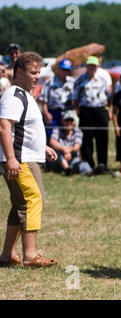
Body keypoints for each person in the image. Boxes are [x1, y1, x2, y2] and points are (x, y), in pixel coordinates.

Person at [0, 51, 58, 268]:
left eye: (39, 73)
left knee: (20, 204)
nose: (37, 77)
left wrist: (42, 146)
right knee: (33, 200)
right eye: (33, 73)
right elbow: (4, 126)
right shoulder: (14, 95)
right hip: (19, 160)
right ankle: (30, 255)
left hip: (26, 156)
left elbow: (22, 128)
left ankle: (7, 255)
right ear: (20, 72)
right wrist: (11, 159)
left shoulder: (24, 95)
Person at [73, 56, 111, 174]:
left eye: (93, 66)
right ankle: (88, 164)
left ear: (97, 66)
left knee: (102, 138)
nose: (91, 68)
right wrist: (77, 110)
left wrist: (108, 109)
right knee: (86, 138)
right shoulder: (80, 80)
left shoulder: (102, 78)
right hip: (86, 111)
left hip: (100, 110)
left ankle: (102, 164)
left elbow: (109, 96)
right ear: (86, 66)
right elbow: (75, 98)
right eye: (89, 65)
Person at [39, 59, 75, 139]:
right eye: (63, 69)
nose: (65, 72)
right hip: (53, 113)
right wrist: (46, 114)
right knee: (51, 136)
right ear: (58, 69)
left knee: (67, 137)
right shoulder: (50, 82)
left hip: (68, 114)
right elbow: (44, 100)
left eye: (67, 70)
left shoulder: (72, 82)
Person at [48, 110, 92, 176]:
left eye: (71, 120)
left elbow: (77, 146)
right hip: (58, 160)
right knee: (57, 153)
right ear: (62, 121)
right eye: (66, 120)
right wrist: (63, 149)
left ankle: (90, 172)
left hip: (72, 158)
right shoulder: (57, 129)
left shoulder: (78, 131)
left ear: (74, 122)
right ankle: (67, 169)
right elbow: (52, 141)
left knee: (83, 164)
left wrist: (67, 151)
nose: (69, 122)